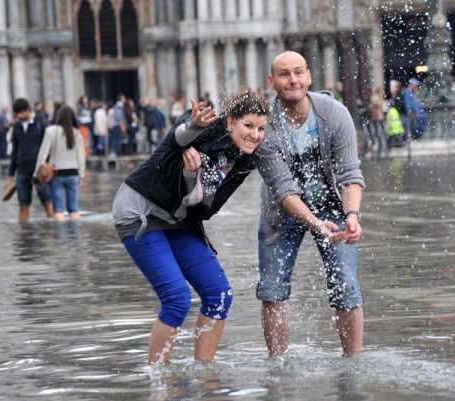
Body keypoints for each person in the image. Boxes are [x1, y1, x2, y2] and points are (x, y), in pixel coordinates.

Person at [112, 88, 269, 364]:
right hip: (141, 211)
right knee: (177, 299)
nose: (255, 135)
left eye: (261, 128)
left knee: (219, 295)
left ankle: (204, 374)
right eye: (248, 126)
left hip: (181, 220)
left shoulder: (245, 158)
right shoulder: (202, 123)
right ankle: (158, 380)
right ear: (231, 121)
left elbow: (206, 210)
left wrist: (191, 178)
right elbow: (177, 138)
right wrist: (194, 126)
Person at [255, 51, 365, 357]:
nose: (293, 80)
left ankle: (352, 363)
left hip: (334, 206)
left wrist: (352, 214)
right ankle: (278, 364)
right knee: (272, 290)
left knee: (346, 286)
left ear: (309, 76)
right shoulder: (264, 125)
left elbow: (350, 173)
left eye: (299, 72)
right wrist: (316, 224)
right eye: (284, 74)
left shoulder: (334, 113)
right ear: (271, 81)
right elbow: (283, 190)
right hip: (281, 212)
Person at [34, 106, 86, 222]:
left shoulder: (51, 131)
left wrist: (37, 171)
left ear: (59, 116)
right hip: (73, 173)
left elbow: (43, 153)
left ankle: (61, 238)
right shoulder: (77, 133)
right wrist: (81, 175)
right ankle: (76, 236)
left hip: (56, 173)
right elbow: (81, 156)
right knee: (74, 209)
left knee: (58, 209)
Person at [7, 98, 54, 221]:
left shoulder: (41, 123)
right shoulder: (16, 126)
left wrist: (48, 164)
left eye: (21, 113)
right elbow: (15, 150)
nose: (19, 116)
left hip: (39, 169)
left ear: (28, 110)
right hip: (22, 169)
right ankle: (24, 233)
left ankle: (53, 230)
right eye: (17, 113)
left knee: (47, 201)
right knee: (23, 204)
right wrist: (11, 173)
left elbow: (50, 145)